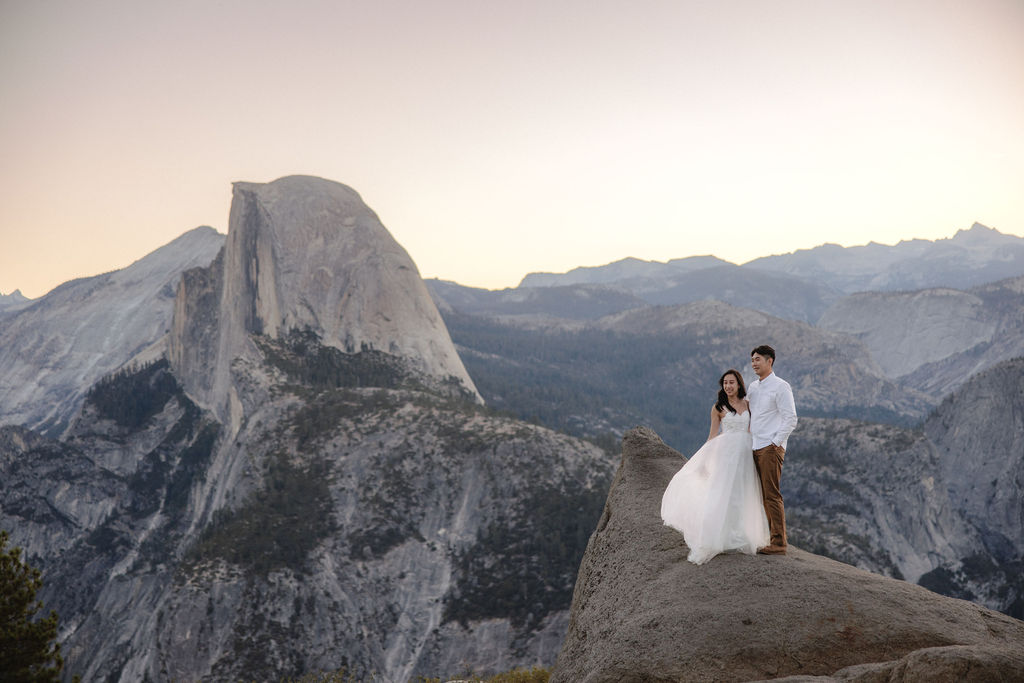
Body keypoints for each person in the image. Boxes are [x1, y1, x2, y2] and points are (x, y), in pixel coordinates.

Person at [661, 369, 770, 565]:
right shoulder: (718, 407)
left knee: (743, 493)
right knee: (722, 493)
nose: (728, 386)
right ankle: (719, 537)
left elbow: (754, 429)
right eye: (725, 383)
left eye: (732, 382)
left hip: (745, 454)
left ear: (739, 385)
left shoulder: (748, 404)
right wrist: (703, 462)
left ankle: (741, 535)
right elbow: (712, 436)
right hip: (726, 454)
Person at [747, 344, 798, 555]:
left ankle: (779, 543)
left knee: (772, 494)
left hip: (769, 447)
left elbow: (791, 418)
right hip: (754, 445)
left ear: (770, 361)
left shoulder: (781, 386)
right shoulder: (753, 387)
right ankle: (768, 537)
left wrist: (776, 442)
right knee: (760, 494)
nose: (754, 364)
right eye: (752, 360)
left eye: (758, 359)